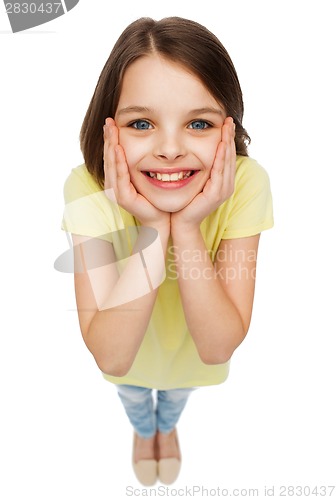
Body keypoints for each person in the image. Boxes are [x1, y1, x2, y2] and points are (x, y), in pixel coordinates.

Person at [61, 16, 274, 486]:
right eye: (142, 123)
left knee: (175, 394)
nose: (171, 149)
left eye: (198, 123)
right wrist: (155, 228)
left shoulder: (246, 184)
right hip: (130, 357)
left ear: (228, 130)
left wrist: (190, 228)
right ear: (109, 129)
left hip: (189, 356)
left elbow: (217, 348)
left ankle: (168, 423)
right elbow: (112, 357)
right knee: (135, 395)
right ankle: (145, 429)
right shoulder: (86, 188)